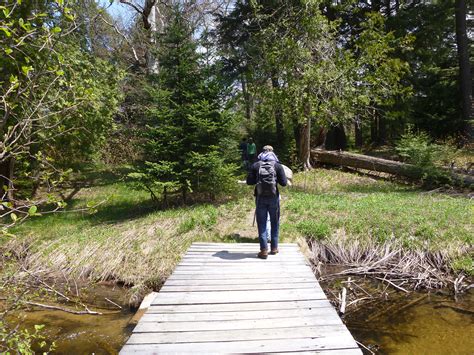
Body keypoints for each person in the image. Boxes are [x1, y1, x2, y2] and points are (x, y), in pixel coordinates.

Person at [246, 145, 287, 259]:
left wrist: (258, 179)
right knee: (274, 222)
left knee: (262, 223)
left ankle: (264, 250)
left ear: (261, 153)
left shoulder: (256, 165)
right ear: (273, 153)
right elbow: (284, 183)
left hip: (260, 198)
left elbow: (249, 182)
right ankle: (274, 248)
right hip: (274, 198)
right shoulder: (277, 165)